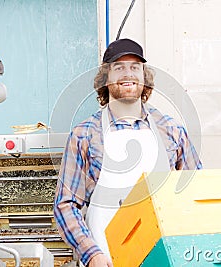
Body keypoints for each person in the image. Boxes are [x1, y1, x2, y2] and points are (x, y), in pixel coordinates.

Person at [54, 38, 202, 267]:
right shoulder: (84, 134)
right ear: (105, 78)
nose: (128, 73)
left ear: (145, 77)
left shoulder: (172, 130)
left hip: (166, 259)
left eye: (135, 67)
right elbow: (65, 204)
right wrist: (92, 253)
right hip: (107, 259)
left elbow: (197, 193)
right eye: (119, 67)